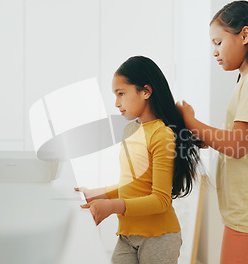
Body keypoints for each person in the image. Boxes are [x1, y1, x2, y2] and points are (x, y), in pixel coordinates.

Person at [176, 1, 248, 263]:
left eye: (218, 42)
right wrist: (201, 136)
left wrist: (191, 122)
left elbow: (238, 146)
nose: (214, 52)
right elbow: (243, 138)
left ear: (245, 35)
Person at [75, 56, 202, 264]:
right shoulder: (130, 130)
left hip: (159, 238)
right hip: (127, 235)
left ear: (145, 91)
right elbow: (132, 186)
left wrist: (112, 206)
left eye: (121, 94)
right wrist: (97, 194)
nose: (117, 103)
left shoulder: (162, 135)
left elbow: (160, 200)